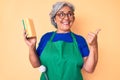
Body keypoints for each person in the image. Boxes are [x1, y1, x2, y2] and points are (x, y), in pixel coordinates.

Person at [23, 1, 100, 80]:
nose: (66, 18)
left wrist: (94, 46)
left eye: (70, 14)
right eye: (61, 14)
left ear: (73, 18)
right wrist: (32, 47)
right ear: (54, 19)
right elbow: (36, 64)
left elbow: (89, 69)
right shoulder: (46, 38)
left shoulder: (80, 40)